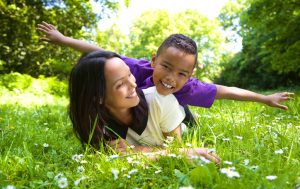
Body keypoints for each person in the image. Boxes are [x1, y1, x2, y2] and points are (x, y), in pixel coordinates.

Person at [37, 22, 294, 117]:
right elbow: (99, 52)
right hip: (141, 113)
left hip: (172, 115)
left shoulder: (190, 88)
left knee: (177, 110)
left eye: (182, 73)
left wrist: (264, 98)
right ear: (153, 61)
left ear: (190, 76)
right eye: (166, 67)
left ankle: (185, 118)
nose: (171, 77)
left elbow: (227, 91)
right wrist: (62, 40)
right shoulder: (136, 69)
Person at [69, 50, 220, 163]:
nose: (133, 84)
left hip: (181, 119)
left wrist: (135, 151)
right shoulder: (96, 122)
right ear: (98, 97)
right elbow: (116, 158)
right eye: (121, 84)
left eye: (129, 74)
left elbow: (176, 149)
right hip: (159, 118)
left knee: (181, 115)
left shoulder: (160, 99)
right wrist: (176, 153)